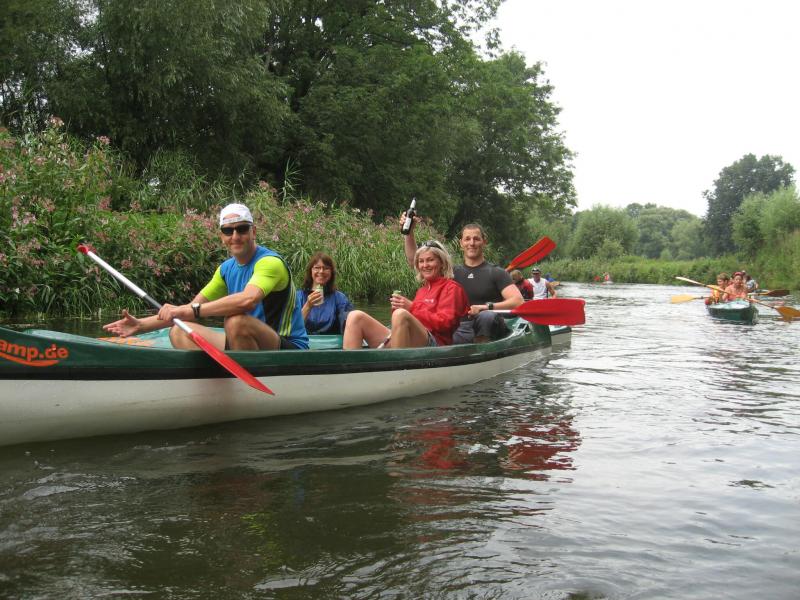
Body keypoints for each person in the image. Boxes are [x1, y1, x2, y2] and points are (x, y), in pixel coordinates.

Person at [103, 203, 309, 350]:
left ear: (253, 232)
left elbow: (247, 300)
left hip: (285, 347)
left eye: (242, 229)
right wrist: (141, 325)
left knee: (236, 321)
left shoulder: (270, 262)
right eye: (228, 231)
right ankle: (219, 382)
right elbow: (187, 311)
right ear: (222, 236)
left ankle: (246, 384)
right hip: (244, 344)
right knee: (179, 330)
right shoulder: (226, 269)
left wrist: (191, 310)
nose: (235, 236)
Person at [402, 214, 522, 344]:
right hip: (460, 328)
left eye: (476, 239)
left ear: (484, 242)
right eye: (467, 239)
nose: (472, 243)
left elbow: (518, 301)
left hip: (489, 323)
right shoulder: (451, 273)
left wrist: (486, 307)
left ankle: (482, 350)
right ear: (461, 243)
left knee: (486, 316)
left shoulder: (496, 272)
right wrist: (409, 232)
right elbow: (415, 261)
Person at [343, 241, 469, 349]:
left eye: (430, 260)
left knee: (401, 314)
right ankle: (350, 366)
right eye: (421, 261)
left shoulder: (452, 288)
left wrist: (411, 308)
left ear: (442, 263)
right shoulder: (422, 291)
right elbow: (413, 318)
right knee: (355, 316)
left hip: (436, 345)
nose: (425, 265)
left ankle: (397, 365)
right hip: (409, 340)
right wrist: (399, 309)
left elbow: (446, 325)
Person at [296, 252, 354, 335]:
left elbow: (349, 323)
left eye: (326, 268)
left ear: (331, 273)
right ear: (311, 271)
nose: (321, 271)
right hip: (304, 341)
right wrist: (308, 306)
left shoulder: (339, 298)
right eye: (317, 268)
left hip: (331, 341)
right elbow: (293, 328)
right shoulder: (298, 296)